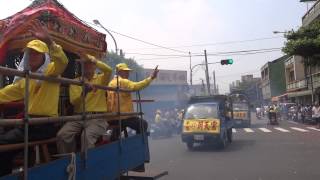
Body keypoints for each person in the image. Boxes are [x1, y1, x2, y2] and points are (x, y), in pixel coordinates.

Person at [0, 21, 68, 176]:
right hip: (28, 124)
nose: (32, 56)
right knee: (5, 146)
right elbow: (4, 94)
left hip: (44, 125)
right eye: (29, 53)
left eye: (36, 53)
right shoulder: (26, 80)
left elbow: (63, 61)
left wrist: (49, 41)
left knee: (2, 143)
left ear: (45, 56)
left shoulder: (52, 73)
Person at [57, 54, 112, 153]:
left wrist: (94, 60)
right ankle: (70, 160)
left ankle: (88, 164)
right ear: (81, 66)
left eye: (91, 64)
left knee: (87, 136)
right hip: (78, 117)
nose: (88, 66)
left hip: (97, 118)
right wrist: (84, 92)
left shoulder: (101, 79)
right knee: (62, 135)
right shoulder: (75, 82)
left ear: (95, 66)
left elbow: (109, 70)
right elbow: (74, 102)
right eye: (85, 64)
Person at [107, 63, 159, 139]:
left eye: (128, 71)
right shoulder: (123, 81)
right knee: (143, 124)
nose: (128, 73)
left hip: (113, 117)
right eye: (125, 71)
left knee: (116, 134)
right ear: (119, 72)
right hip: (124, 116)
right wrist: (151, 78)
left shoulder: (111, 83)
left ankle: (113, 141)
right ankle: (138, 143)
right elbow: (136, 86)